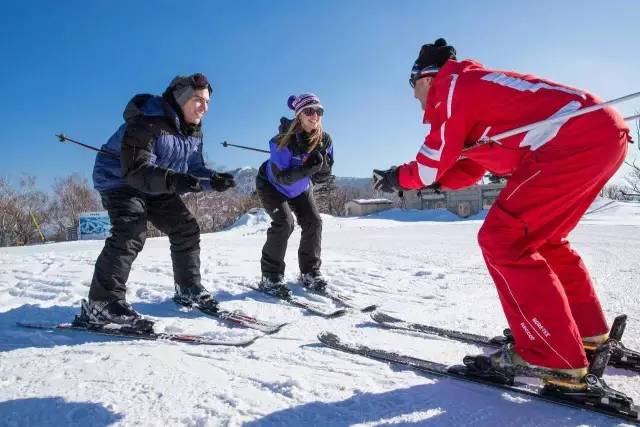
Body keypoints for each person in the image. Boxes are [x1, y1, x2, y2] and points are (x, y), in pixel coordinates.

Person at [373, 38, 631, 389]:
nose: (414, 96)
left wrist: (398, 178)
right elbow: (469, 166)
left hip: (572, 141)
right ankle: (585, 331)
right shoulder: (474, 89)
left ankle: (551, 355)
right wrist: (429, 184)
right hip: (601, 134)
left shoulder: (451, 87)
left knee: (502, 238)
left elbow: (432, 160)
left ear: (426, 78)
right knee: (546, 239)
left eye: (412, 84)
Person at [80, 73, 236, 329]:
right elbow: (136, 170)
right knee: (131, 230)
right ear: (181, 97)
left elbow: (193, 168)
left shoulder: (193, 130)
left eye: (207, 102)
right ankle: (102, 303)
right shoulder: (146, 121)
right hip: (120, 179)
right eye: (198, 100)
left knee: (186, 227)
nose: (204, 108)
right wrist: (175, 180)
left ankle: (188, 288)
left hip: (158, 182)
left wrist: (213, 180)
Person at [255, 93, 334, 297]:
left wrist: (321, 165)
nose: (314, 115)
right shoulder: (282, 141)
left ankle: (310, 272)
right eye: (309, 111)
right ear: (299, 115)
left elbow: (324, 176)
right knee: (284, 223)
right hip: (272, 186)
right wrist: (307, 169)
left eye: (319, 111)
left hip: (300, 188)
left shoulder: (325, 140)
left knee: (314, 222)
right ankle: (270, 277)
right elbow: (281, 177)